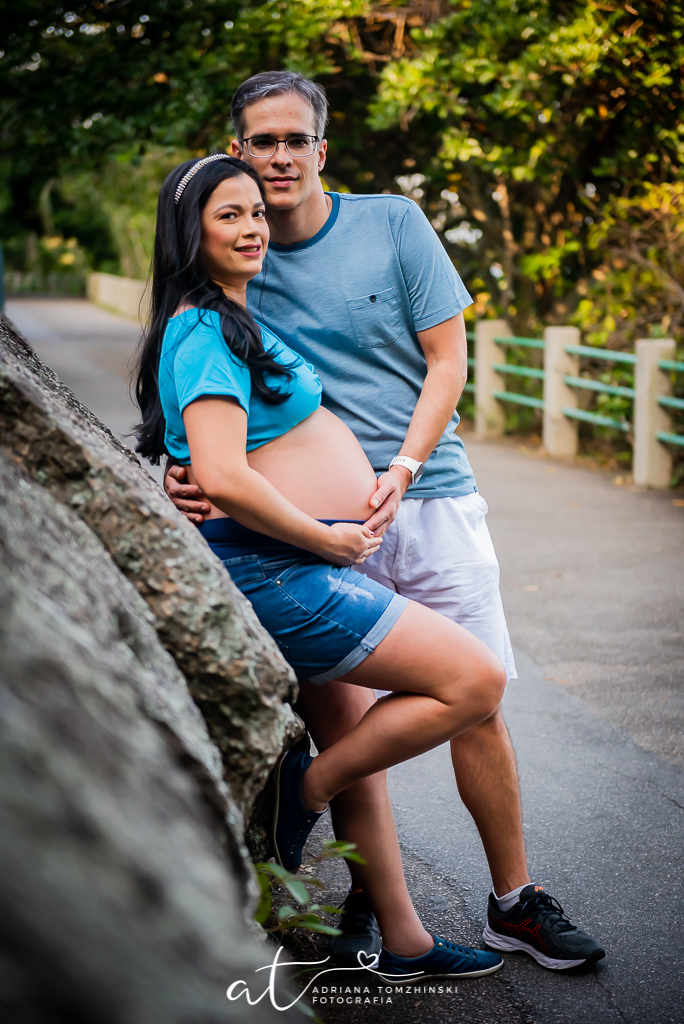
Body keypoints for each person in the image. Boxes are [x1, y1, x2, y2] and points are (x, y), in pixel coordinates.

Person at [164, 71, 605, 972]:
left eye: (295, 140)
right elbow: (194, 382)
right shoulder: (230, 240)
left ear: (321, 150)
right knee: (346, 720)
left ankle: (513, 900)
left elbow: (449, 362)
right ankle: (378, 904)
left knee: (475, 699)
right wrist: (181, 470)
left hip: (428, 495)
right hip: (301, 533)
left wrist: (401, 469)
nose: (278, 158)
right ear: (235, 150)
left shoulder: (393, 224)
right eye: (261, 141)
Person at [135, 152, 508, 982]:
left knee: (357, 745)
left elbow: (210, 453)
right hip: (280, 570)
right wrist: (326, 536)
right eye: (227, 215)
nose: (251, 227)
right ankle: (298, 795)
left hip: (291, 558)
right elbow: (224, 473)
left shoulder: (230, 320)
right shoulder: (200, 327)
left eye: (254, 213)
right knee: (474, 681)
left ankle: (404, 943)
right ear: (187, 232)